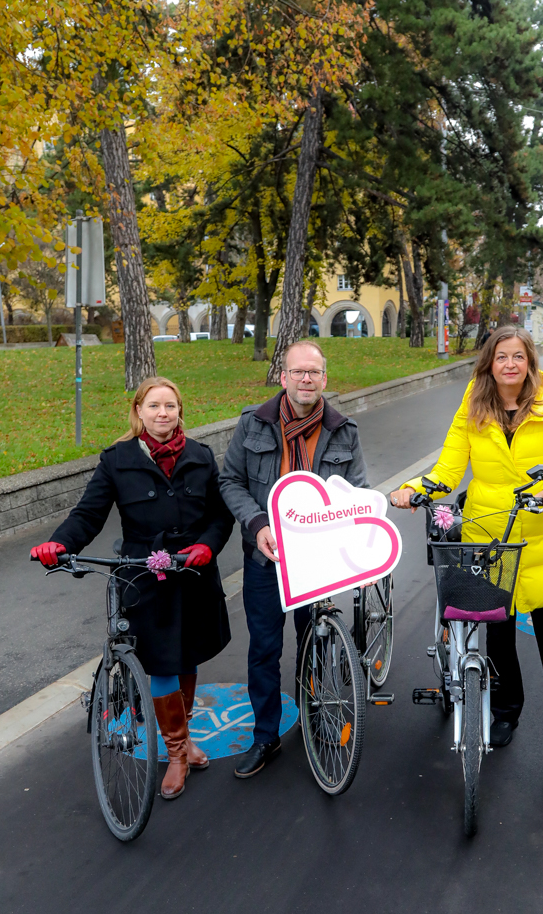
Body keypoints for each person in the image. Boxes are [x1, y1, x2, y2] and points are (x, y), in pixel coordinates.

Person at [392, 325, 543, 774]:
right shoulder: (473, 407)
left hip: (540, 538)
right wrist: (414, 488)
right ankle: (507, 712)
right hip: (487, 534)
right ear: (489, 363)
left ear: (530, 361)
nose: (510, 364)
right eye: (501, 357)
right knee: (499, 635)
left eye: (518, 356)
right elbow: (449, 469)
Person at [30, 378, 235, 800]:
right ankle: (177, 754)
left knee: (187, 656)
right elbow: (88, 513)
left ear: (181, 411)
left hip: (193, 574)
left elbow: (220, 516)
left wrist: (207, 547)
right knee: (160, 663)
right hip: (144, 578)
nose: (164, 413)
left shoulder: (201, 456)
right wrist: (60, 543)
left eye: (171, 406)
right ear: (138, 411)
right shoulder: (117, 460)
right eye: (155, 406)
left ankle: (187, 738)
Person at [219, 340, 368, 779]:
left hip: (317, 559)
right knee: (264, 647)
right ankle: (265, 736)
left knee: (315, 641)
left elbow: (355, 491)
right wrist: (257, 524)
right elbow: (230, 481)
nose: (307, 379)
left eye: (315, 373)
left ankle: (315, 711)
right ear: (283, 377)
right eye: (298, 372)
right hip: (266, 557)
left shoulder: (344, 430)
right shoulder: (254, 423)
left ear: (325, 379)